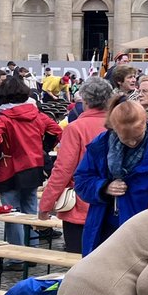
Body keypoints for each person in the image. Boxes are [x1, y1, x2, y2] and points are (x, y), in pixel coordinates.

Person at [73, 98, 148, 256]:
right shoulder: (101, 145)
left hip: (144, 234)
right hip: (104, 229)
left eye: (137, 137)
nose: (133, 143)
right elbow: (81, 181)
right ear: (114, 129)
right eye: (126, 139)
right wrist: (104, 187)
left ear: (145, 123)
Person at [39, 77, 113, 254]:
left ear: (85, 100)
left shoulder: (76, 128)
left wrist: (45, 205)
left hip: (83, 204)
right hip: (113, 203)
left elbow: (63, 170)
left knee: (79, 260)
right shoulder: (118, 124)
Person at [0, 75, 62, 247]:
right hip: (33, 166)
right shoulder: (36, 115)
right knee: (30, 210)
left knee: (12, 214)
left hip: (9, 169)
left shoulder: (3, 118)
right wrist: (43, 147)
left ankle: (17, 256)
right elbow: (56, 130)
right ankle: (32, 249)